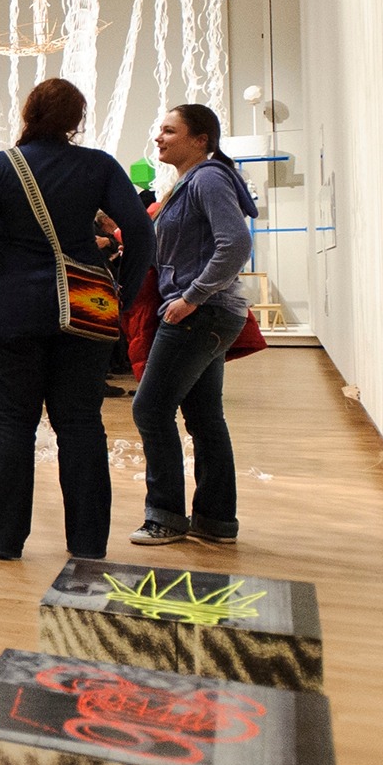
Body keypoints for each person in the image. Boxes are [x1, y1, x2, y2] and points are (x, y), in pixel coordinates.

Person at [0, 78, 155, 561]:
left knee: (12, 425)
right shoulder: (99, 165)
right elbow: (143, 233)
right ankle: (87, 543)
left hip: (10, 309)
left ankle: (2, 538)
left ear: (28, 113)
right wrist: (122, 296)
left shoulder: (1, 166)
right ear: (76, 120)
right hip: (85, 312)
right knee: (82, 425)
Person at [131, 103, 256, 548]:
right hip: (209, 311)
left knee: (149, 409)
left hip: (201, 313)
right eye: (159, 129)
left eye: (170, 130)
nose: (159, 138)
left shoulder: (207, 178)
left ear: (200, 139)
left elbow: (236, 242)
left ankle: (165, 516)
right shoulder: (193, 181)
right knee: (204, 416)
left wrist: (191, 297)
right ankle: (216, 520)